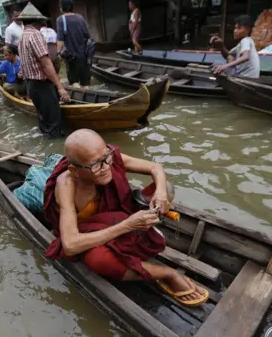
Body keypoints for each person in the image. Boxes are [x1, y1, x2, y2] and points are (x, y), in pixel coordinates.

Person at [43, 129, 210, 307]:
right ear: (74, 170)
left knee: (167, 189)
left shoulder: (108, 158)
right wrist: (128, 225)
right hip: (91, 234)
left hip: (118, 219)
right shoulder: (67, 184)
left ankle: (143, 230)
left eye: (106, 157)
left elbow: (155, 167)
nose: (107, 167)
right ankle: (166, 273)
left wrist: (160, 193)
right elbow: (70, 245)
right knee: (98, 260)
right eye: (96, 165)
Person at [18, 3, 70, 138]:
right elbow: (46, 64)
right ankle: (56, 150)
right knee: (54, 124)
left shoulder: (22, 37)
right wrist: (60, 87)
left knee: (44, 121)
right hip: (41, 86)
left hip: (32, 86)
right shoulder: (35, 35)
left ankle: (48, 146)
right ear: (38, 21)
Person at [57, 0, 92, 87]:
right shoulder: (80, 18)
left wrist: (58, 54)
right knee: (85, 83)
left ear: (61, 7)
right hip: (84, 57)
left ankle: (79, 99)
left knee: (74, 82)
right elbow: (88, 36)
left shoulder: (61, 20)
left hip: (71, 58)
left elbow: (60, 40)